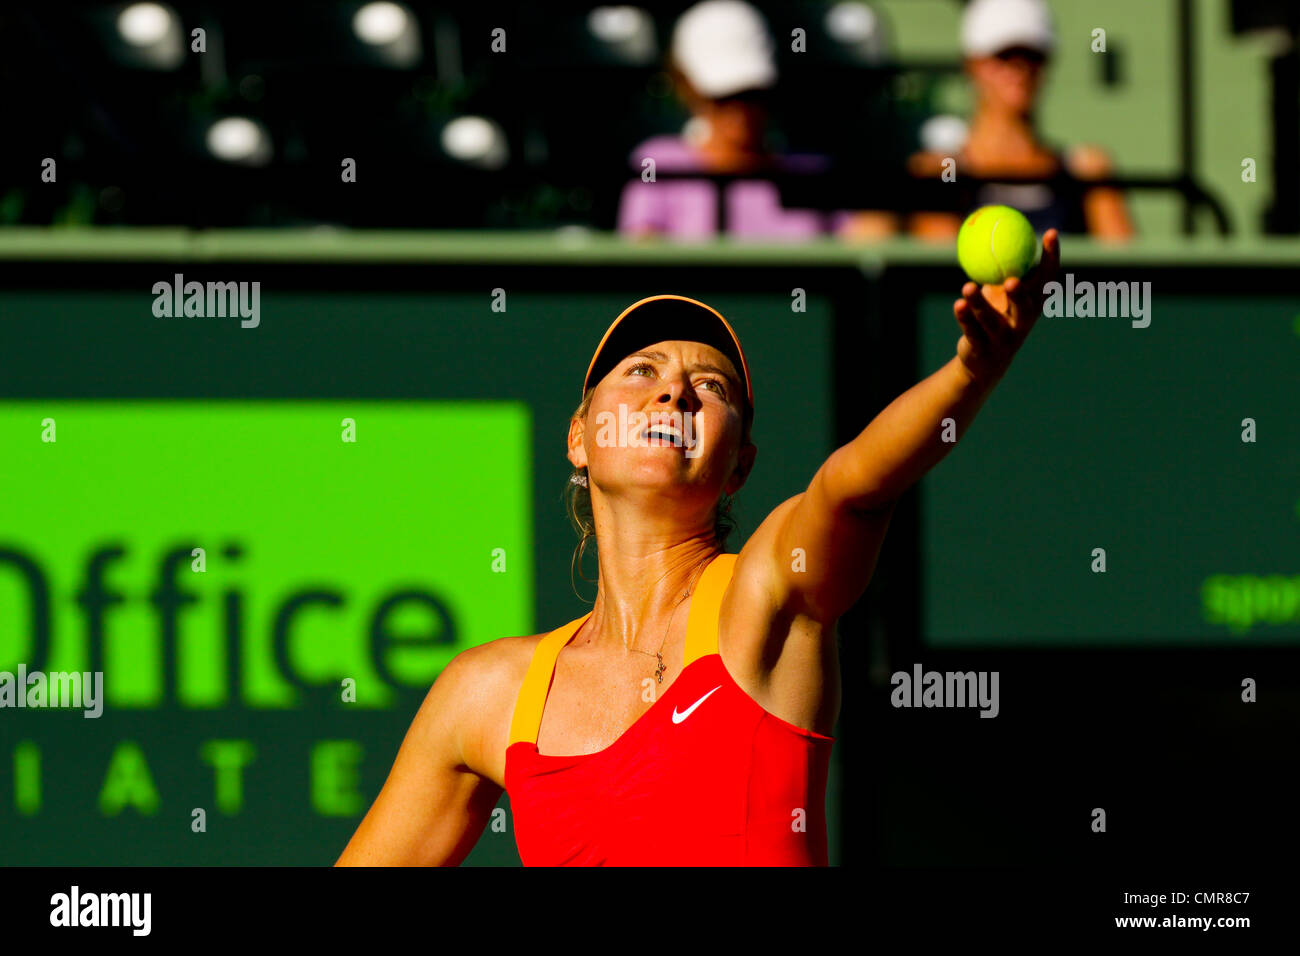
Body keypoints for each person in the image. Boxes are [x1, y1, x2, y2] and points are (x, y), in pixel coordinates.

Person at [335, 231, 1063, 866]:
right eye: (641, 371)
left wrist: (970, 373)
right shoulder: (487, 693)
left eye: (709, 386)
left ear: (739, 464)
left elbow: (853, 488)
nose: (674, 393)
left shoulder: (768, 594)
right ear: (580, 439)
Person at [617, 0, 859, 240]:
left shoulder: (812, 170)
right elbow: (642, 248)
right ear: (687, 86)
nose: (739, 110)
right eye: (722, 97)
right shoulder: (657, 164)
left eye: (751, 95)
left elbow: (859, 240)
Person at [907, 0, 1134, 240]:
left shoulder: (1087, 173)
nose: (1020, 69)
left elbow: (1127, 267)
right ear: (972, 64)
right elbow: (940, 266)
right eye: (1003, 56)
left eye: (1032, 56)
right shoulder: (941, 172)